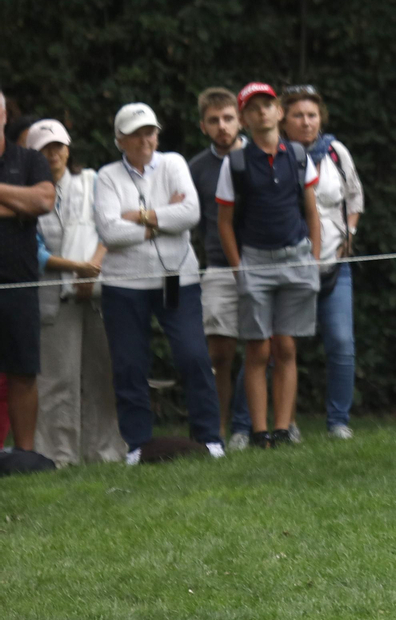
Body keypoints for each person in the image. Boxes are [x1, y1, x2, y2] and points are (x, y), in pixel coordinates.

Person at [92, 103, 222, 463]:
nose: (144, 140)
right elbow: (109, 232)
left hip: (177, 278)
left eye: (149, 132)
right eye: (135, 134)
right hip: (124, 284)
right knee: (129, 365)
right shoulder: (107, 176)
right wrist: (161, 221)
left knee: (194, 356)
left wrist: (138, 217)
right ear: (120, 140)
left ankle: (210, 438)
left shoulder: (174, 163)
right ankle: (137, 445)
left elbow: (190, 213)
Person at [214, 83, 322, 448]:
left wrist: (314, 258)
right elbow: (224, 222)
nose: (262, 112)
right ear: (244, 119)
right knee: (258, 349)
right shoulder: (236, 162)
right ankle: (259, 432)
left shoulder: (298, 155)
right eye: (253, 108)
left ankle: (283, 428)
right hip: (256, 261)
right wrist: (239, 268)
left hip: (296, 258)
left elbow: (311, 211)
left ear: (279, 111)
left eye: (267, 105)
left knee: (286, 347)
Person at [26, 120, 121, 466]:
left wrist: (92, 266)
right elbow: (33, 250)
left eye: (58, 146)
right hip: (53, 296)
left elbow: (109, 227)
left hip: (99, 292)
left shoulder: (92, 180)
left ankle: (106, 452)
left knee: (103, 375)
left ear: (68, 149)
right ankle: (57, 455)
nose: (53, 154)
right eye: (44, 149)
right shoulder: (27, 193)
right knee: (56, 379)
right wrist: (75, 268)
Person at [281, 85, 363, 438]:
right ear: (283, 119)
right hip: (286, 264)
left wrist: (350, 234)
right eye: (298, 115)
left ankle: (338, 422)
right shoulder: (272, 154)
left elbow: (355, 197)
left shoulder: (335, 151)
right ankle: (275, 424)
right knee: (278, 348)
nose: (306, 122)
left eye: (312, 115)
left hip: (334, 263)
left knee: (342, 343)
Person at [187, 88, 251, 447]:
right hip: (218, 268)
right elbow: (192, 220)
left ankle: (252, 426)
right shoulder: (196, 168)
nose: (222, 126)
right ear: (203, 126)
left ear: (240, 120)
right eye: (214, 121)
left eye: (228, 118)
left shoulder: (261, 156)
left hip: (263, 263)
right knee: (219, 354)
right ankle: (219, 430)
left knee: (265, 351)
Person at [0, 91, 58, 456]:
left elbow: (44, 201)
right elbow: (30, 202)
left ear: (3, 115)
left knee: (22, 372)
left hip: (19, 282)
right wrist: (18, 204)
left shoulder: (30, 159)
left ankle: (24, 456)